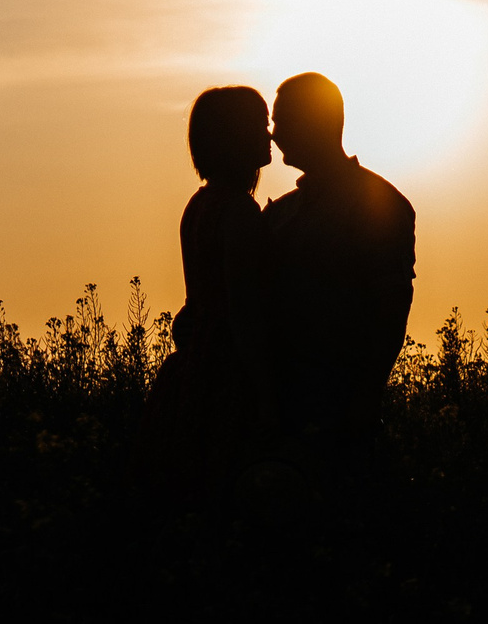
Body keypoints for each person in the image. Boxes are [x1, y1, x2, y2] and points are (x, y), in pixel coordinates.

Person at [261, 72, 416, 468]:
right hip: (277, 410)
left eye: (282, 121)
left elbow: (392, 309)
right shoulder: (279, 215)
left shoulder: (380, 204)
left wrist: (364, 401)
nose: (274, 135)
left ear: (315, 122)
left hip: (340, 409)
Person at [141, 85, 274, 496]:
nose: (268, 135)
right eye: (259, 125)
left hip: (197, 364)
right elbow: (244, 313)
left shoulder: (199, 205)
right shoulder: (238, 211)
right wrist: (269, 394)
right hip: (227, 376)